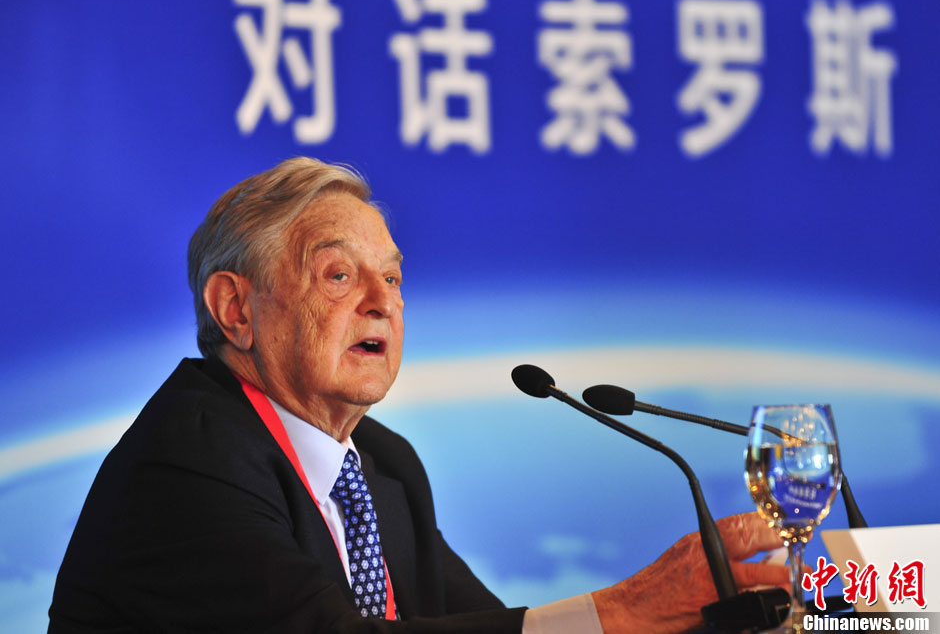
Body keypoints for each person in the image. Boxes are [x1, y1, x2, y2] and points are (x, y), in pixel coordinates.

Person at [49, 158, 789, 633]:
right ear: (235, 309)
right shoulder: (185, 460)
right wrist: (623, 610)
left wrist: (697, 619)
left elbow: (501, 627)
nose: (382, 303)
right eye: (339, 276)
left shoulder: (382, 466)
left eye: (394, 278)